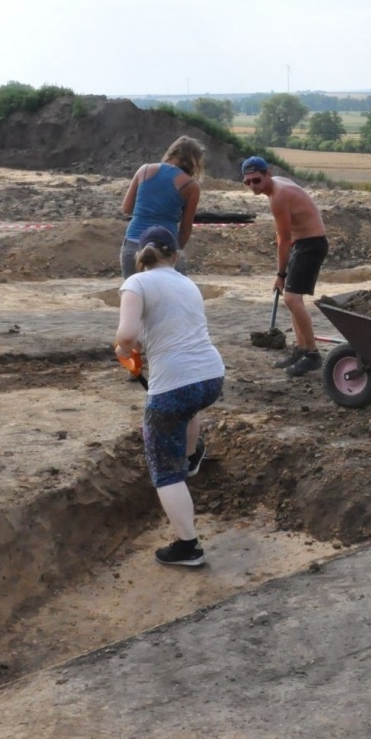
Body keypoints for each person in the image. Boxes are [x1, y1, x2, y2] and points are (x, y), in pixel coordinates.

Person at [115, 225, 225, 566]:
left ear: (140, 257)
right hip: (210, 377)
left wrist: (121, 349)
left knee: (164, 471)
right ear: (175, 255)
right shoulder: (188, 284)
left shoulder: (136, 282)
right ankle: (191, 458)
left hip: (174, 384)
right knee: (187, 409)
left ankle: (188, 547)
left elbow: (128, 334)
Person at [240, 156, 330, 377]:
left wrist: (280, 273)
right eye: (248, 182)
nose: (253, 185)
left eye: (256, 180)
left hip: (311, 245)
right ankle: (300, 349)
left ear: (267, 174)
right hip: (306, 243)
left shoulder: (278, 197)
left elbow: (284, 239)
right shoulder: (277, 185)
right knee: (291, 297)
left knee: (291, 297)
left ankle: (312, 354)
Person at [119, 136, 205, 279]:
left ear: (172, 152)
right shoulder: (191, 186)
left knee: (134, 295)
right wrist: (175, 250)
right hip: (165, 250)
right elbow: (185, 229)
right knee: (171, 298)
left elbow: (127, 208)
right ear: (194, 161)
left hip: (133, 245)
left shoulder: (144, 170)